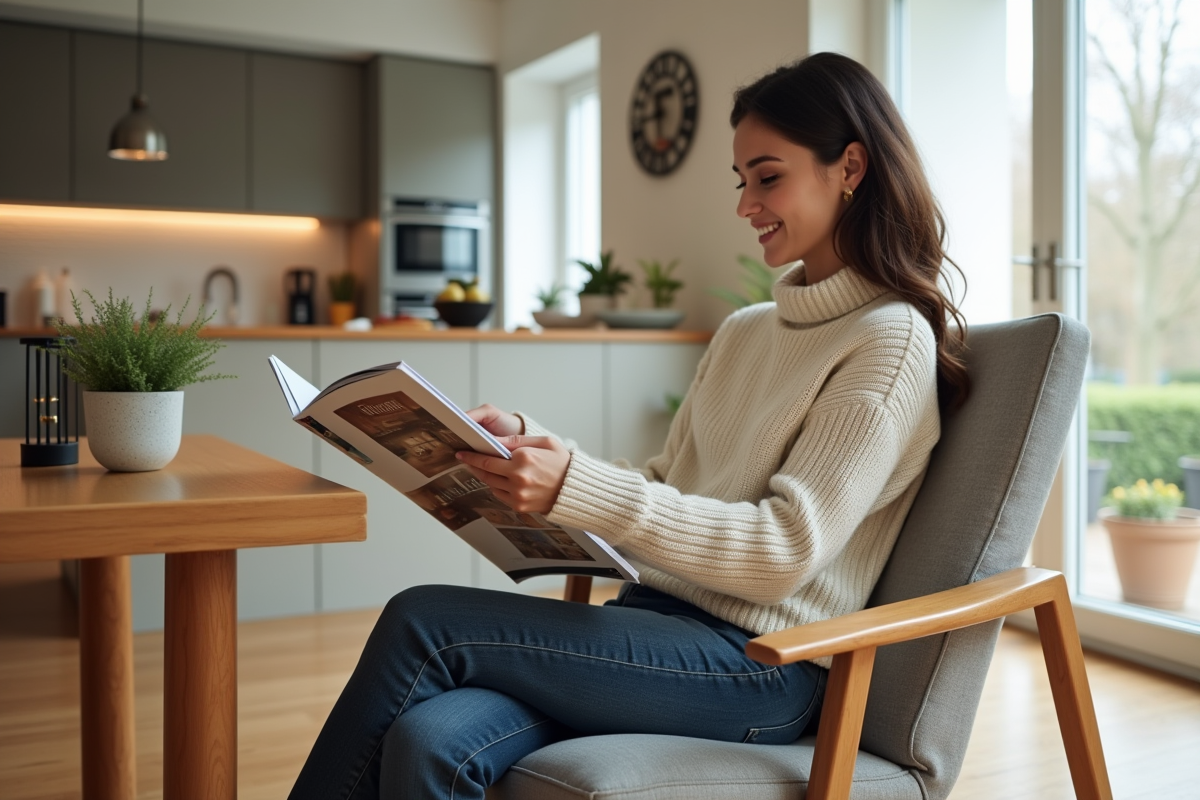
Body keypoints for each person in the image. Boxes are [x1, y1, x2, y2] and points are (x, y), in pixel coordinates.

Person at [288, 51, 969, 800]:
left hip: (761, 667)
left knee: (424, 619)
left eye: (768, 176)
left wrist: (578, 488)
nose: (747, 205)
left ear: (850, 166)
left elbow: (785, 551)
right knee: (431, 741)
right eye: (742, 182)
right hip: (653, 629)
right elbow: (662, 485)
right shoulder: (746, 331)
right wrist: (536, 451)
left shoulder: (888, 339)